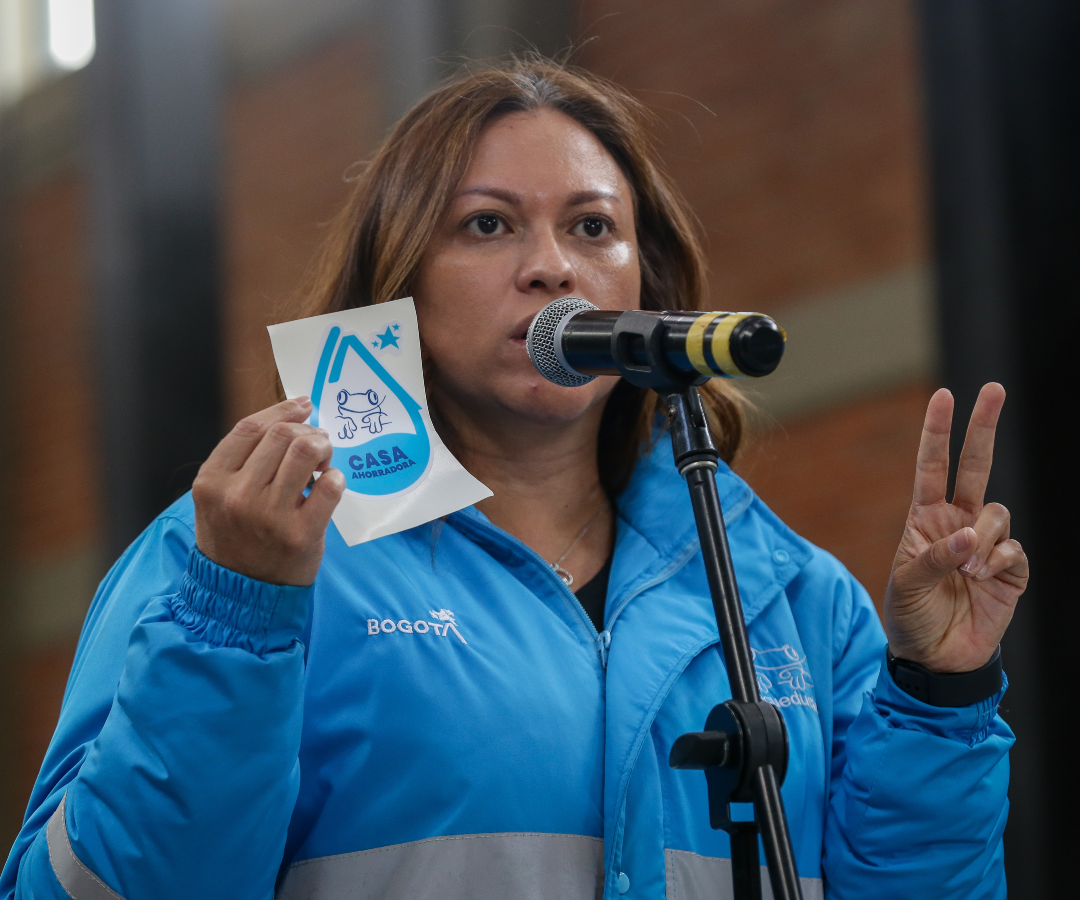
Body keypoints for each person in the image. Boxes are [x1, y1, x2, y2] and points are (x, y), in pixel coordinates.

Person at [1, 59, 1026, 900]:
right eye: (488, 225)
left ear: (646, 284)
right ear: (400, 278)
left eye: (592, 228)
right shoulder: (244, 551)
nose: (553, 269)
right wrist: (237, 623)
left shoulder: (791, 596)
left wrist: (939, 693)